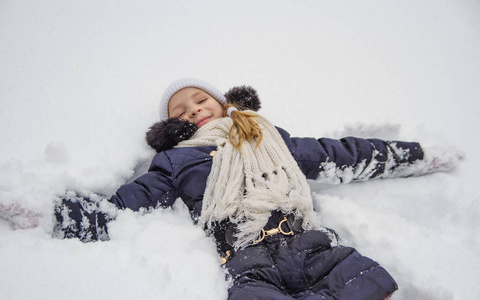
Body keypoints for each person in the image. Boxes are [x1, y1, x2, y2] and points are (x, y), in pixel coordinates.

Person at [52, 78, 461, 299]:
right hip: (245, 259)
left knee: (357, 282)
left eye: (200, 99)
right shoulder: (176, 161)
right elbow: (129, 203)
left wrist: (414, 155)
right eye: (181, 110)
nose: (194, 108)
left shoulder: (266, 137)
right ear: (174, 126)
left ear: (221, 102)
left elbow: (337, 154)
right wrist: (56, 216)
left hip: (308, 241)